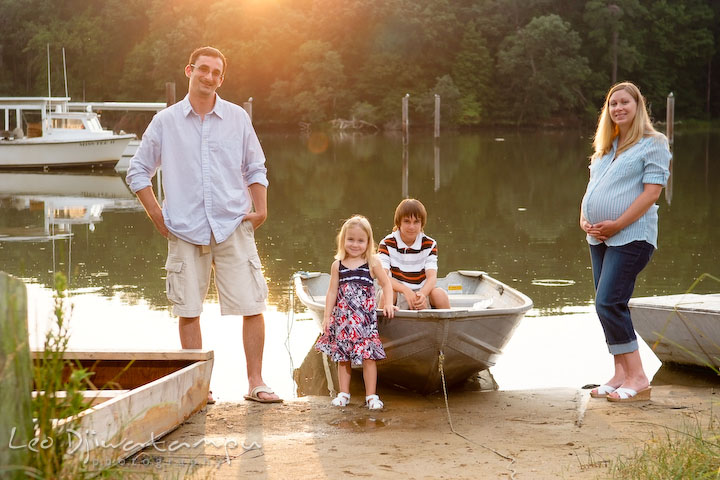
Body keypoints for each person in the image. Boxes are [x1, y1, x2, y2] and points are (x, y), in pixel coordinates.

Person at [126, 46, 281, 404]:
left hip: (233, 223)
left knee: (253, 303)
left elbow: (255, 166)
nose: (209, 77)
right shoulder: (165, 122)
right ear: (189, 70)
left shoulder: (238, 118)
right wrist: (157, 215)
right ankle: (199, 388)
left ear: (221, 79)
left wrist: (261, 210)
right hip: (185, 228)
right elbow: (138, 172)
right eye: (203, 70)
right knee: (188, 309)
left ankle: (256, 382)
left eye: (216, 72)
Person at [580, 82, 671, 403]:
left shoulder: (653, 143)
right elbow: (591, 189)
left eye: (624, 102)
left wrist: (617, 223)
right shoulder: (607, 147)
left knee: (609, 302)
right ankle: (620, 373)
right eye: (612, 103)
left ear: (638, 106)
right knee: (604, 306)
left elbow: (652, 192)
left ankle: (638, 377)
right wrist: (583, 219)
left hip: (632, 236)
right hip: (598, 238)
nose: (618, 108)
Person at [315, 215, 396, 409]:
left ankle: (371, 396)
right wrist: (327, 317)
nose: (355, 244)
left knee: (369, 357)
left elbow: (386, 283)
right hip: (343, 320)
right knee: (343, 358)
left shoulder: (372, 263)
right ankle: (344, 393)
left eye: (361, 240)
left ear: (368, 242)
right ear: (343, 240)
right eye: (350, 239)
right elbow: (332, 291)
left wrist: (388, 303)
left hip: (365, 321)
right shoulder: (338, 265)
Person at [377, 198, 450, 310]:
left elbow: (432, 277)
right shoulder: (387, 243)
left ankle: (446, 327)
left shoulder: (429, 244)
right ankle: (380, 327)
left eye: (416, 222)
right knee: (387, 295)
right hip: (397, 291)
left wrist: (422, 295)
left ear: (422, 224)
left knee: (440, 294)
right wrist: (405, 290)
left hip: (421, 291)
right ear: (399, 222)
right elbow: (382, 278)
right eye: (407, 221)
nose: (412, 227)